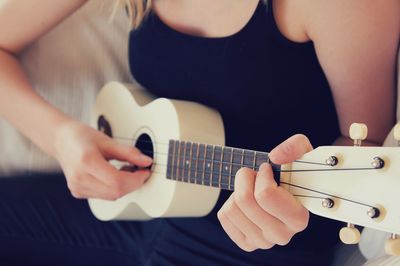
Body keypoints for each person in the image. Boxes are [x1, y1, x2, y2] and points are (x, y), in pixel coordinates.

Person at [0, 0, 398, 265]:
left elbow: (366, 146)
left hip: (252, 245)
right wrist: (60, 137)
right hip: (132, 206)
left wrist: (282, 214)